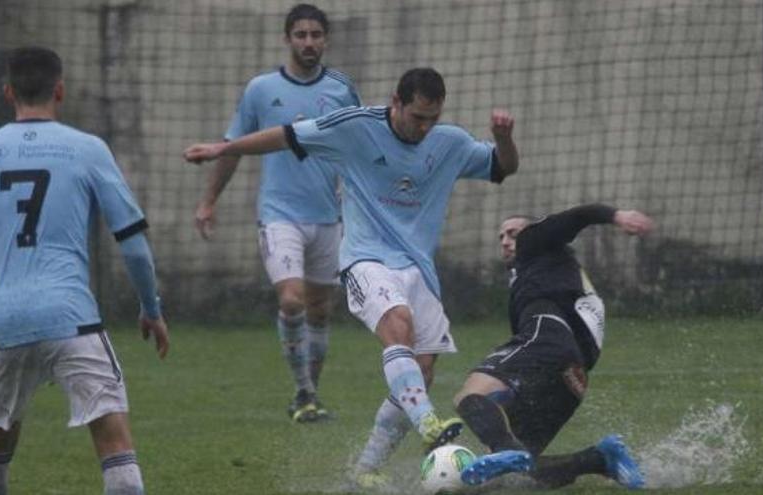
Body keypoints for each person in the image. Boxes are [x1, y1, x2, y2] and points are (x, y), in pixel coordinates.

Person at [184, 67, 519, 484]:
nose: (424, 127)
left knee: (424, 368)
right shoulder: (354, 127)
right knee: (399, 325)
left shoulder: (447, 142)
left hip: (417, 268)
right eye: (417, 117)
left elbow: (503, 168)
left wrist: (504, 138)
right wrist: (223, 148)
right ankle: (428, 423)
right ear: (396, 102)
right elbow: (285, 135)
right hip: (365, 258)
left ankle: (366, 470)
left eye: (432, 117)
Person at [0, 46, 169, 495]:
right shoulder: (87, 150)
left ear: (8, 93)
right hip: (70, 320)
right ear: (59, 90)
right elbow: (135, 247)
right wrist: (150, 307)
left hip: (0, 323)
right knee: (115, 447)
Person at [193, 3, 360, 423]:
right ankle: (304, 392)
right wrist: (208, 200)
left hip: (329, 217)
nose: (308, 42)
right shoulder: (261, 89)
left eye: (316, 35)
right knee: (291, 299)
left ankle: (309, 394)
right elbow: (232, 148)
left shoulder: (342, 89)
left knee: (321, 310)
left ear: (326, 40)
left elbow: (359, 147)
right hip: (279, 213)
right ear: (287, 39)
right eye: (300, 35)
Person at [451, 204, 653, 490]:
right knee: (519, 476)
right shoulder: (553, 273)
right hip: (575, 373)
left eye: (512, 232)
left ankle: (504, 447)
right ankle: (599, 459)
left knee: (470, 395)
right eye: (501, 237)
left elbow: (576, 217)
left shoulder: (535, 241)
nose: (506, 241)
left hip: (547, 337)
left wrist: (617, 216)